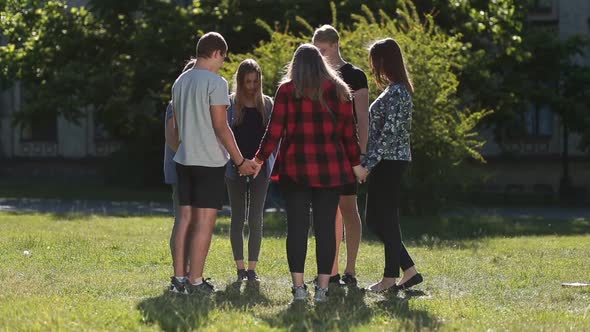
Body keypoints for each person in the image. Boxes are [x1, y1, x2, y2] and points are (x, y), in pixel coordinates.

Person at [254, 44, 364, 303]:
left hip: (296, 168)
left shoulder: (287, 91)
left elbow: (275, 131)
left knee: (297, 229)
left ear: (296, 65)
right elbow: (349, 134)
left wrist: (257, 159)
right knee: (326, 229)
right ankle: (323, 289)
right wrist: (356, 163)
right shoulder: (339, 90)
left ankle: (299, 288)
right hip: (331, 169)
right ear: (321, 63)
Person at [170, 32, 260, 295]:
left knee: (184, 220)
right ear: (218, 53)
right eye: (224, 58)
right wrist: (240, 160)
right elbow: (221, 127)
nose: (223, 63)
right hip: (208, 162)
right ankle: (195, 280)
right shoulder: (216, 82)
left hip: (184, 160)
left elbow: (175, 127)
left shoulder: (179, 82)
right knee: (205, 223)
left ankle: (179, 280)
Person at [362, 38, 422, 293]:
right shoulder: (394, 89)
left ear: (386, 61)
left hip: (390, 162)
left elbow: (389, 134)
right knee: (378, 219)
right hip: (385, 162)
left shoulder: (398, 92)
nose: (375, 68)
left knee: (383, 218)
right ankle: (408, 271)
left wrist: (368, 164)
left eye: (377, 62)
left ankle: (390, 277)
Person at [312, 24, 369, 286]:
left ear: (335, 45)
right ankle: (330, 271)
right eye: (316, 51)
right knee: (328, 210)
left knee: (348, 208)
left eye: (322, 50)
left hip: (348, 152)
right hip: (323, 152)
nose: (320, 55)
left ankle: (351, 269)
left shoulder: (355, 75)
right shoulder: (316, 75)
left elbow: (362, 118)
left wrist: (363, 152)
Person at [225, 59, 276, 282]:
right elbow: (223, 136)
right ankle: (240, 268)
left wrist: (259, 163)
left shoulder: (267, 105)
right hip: (234, 166)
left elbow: (274, 137)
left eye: (256, 81)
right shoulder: (229, 104)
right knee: (237, 217)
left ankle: (252, 269)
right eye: (248, 81)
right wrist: (239, 163)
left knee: (255, 218)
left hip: (260, 167)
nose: (252, 86)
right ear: (240, 81)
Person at [164, 59, 196, 286]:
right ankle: (180, 271)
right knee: (182, 219)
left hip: (195, 168)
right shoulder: (174, 104)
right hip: (181, 168)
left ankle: (188, 269)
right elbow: (172, 139)